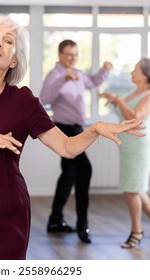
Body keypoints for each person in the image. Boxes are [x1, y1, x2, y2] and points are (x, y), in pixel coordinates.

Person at [0, 15, 144, 260]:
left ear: (14, 60)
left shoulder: (23, 101)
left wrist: (94, 129)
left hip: (8, 210)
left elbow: (66, 147)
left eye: (7, 40)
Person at [39, 39, 112, 244]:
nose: (72, 58)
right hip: (64, 129)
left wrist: (104, 70)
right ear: (60, 55)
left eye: (76, 54)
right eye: (69, 54)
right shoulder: (55, 75)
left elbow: (93, 82)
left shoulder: (79, 74)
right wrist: (63, 79)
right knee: (85, 170)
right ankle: (82, 224)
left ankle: (55, 220)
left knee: (69, 174)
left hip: (77, 128)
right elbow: (43, 99)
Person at [99, 57, 150, 248]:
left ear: (145, 74)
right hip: (128, 145)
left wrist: (119, 100)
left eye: (135, 69)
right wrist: (115, 100)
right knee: (136, 187)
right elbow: (125, 112)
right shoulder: (134, 92)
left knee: (131, 190)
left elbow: (135, 117)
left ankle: (136, 231)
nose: (132, 72)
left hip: (140, 146)